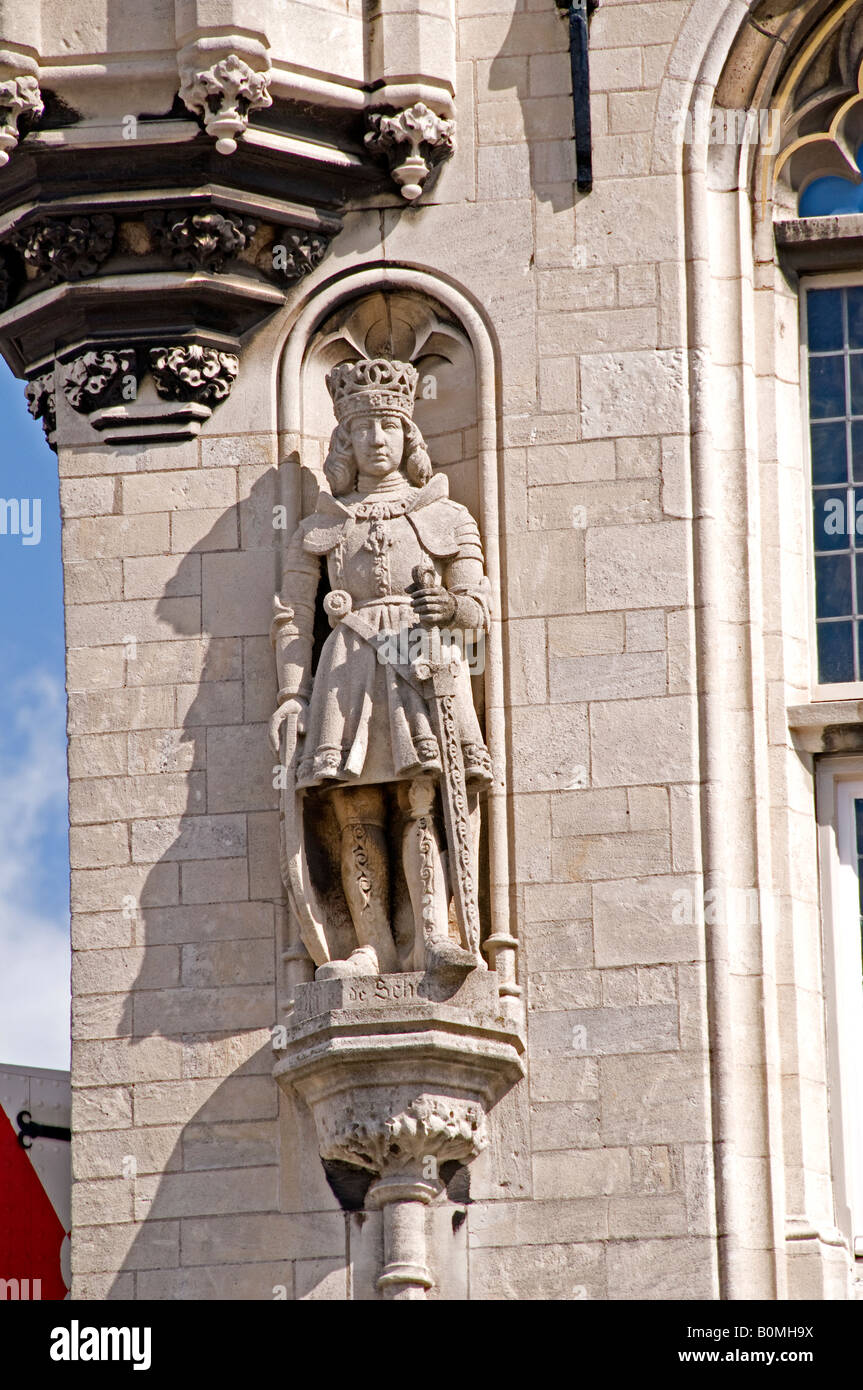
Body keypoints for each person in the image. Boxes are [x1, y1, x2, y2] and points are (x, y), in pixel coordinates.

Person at [270, 358, 493, 979]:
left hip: (420, 659)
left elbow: (478, 609)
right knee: (354, 803)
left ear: (407, 436)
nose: (375, 439)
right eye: (362, 428)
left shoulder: (447, 517)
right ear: (343, 439)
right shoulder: (321, 526)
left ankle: (430, 935)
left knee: (422, 795)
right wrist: (292, 694)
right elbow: (291, 617)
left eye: (387, 426)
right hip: (348, 663)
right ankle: (371, 947)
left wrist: (450, 605)